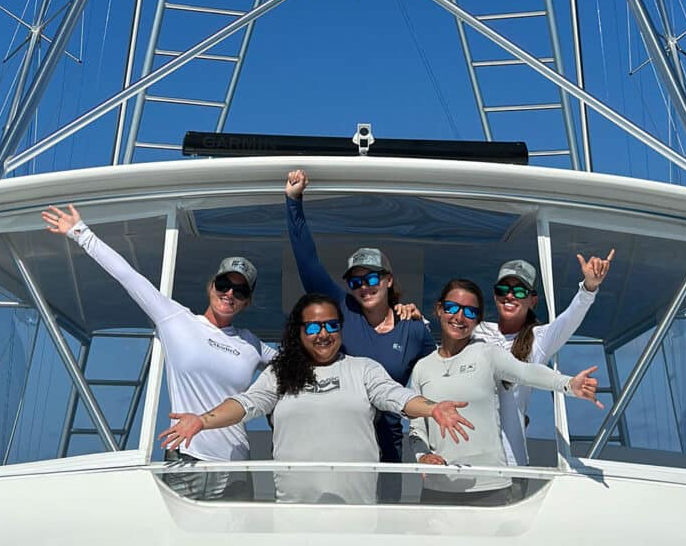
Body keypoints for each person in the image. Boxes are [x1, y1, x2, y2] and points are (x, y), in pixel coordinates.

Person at [41, 203, 273, 500]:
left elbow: (295, 364)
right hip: (187, 461)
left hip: (238, 467)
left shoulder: (251, 343)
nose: (229, 293)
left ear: (247, 302)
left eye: (240, 291)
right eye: (224, 284)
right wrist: (80, 233)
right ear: (211, 286)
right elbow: (127, 276)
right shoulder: (175, 318)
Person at [160, 292, 473, 504]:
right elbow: (245, 404)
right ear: (299, 331)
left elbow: (397, 397)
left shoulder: (363, 369)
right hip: (294, 514)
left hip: (359, 512)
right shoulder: (280, 374)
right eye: (313, 326)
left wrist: (433, 410)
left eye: (331, 325)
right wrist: (202, 421)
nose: (323, 334)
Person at [284, 169, 435, 464]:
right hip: (337, 438)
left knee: (387, 510)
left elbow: (438, 374)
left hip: (387, 444)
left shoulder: (414, 330)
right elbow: (307, 260)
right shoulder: (343, 308)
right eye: (355, 281)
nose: (364, 286)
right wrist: (294, 201)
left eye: (372, 278)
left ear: (388, 280)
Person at [408, 278, 602, 505]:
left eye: (470, 312)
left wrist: (569, 384)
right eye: (452, 308)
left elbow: (527, 372)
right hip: (437, 486)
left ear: (478, 321)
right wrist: (423, 456)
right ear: (439, 310)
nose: (459, 317)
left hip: (490, 487)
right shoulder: (422, 368)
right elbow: (416, 427)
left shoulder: (488, 354)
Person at [475, 251, 614, 465]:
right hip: (464, 461)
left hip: (511, 465)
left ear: (533, 300)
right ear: (495, 296)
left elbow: (570, 318)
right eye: (503, 289)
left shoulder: (538, 338)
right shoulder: (476, 331)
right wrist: (411, 316)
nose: (509, 296)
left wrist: (589, 286)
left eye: (519, 291)